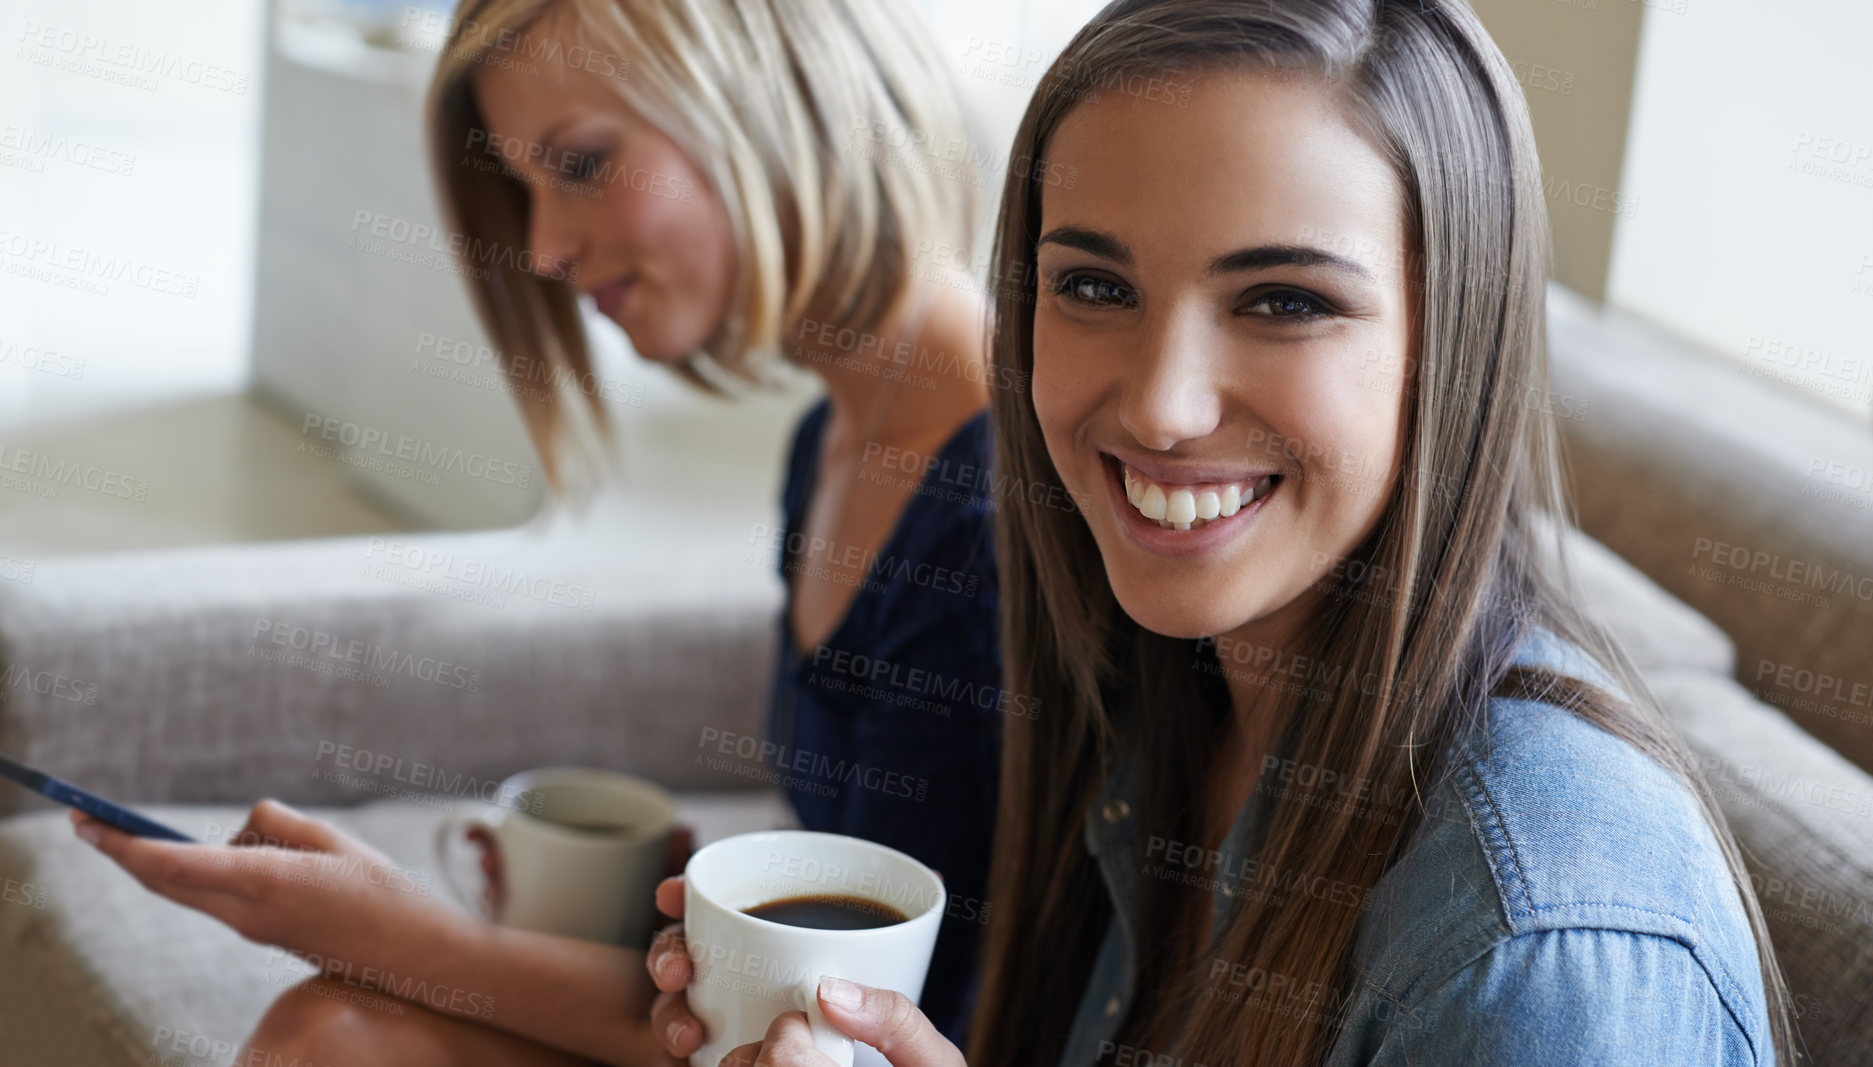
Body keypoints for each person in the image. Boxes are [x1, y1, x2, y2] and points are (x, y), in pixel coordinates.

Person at [644, 1, 1796, 1065]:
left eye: (1284, 301)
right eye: (1094, 287)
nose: (1160, 406)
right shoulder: (1162, 699)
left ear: (1448, 348)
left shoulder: (1538, 950)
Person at [69, 0, 1003, 1062]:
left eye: (582, 164)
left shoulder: (981, 511)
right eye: (522, 189)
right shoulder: (834, 441)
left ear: (763, 103)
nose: (546, 249)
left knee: (327, 1033)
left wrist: (390, 930)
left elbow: (878, 1021)